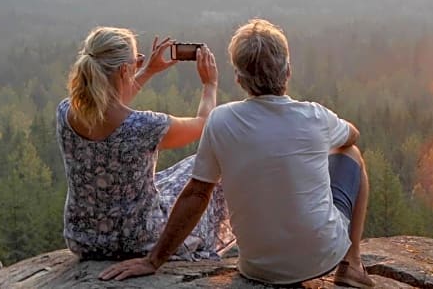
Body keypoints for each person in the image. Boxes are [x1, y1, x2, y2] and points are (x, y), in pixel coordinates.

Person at [100, 19, 374, 287]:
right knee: (351, 154)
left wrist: (153, 261)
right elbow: (352, 135)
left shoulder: (221, 120)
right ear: (287, 71)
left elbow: (196, 194)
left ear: (239, 79)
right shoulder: (315, 116)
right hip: (321, 258)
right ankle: (351, 263)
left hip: (258, 269)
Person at [57, 27, 234, 260]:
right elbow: (203, 124)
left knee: (167, 180)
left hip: (83, 239)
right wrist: (210, 84)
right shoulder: (145, 126)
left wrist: (148, 70)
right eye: (136, 61)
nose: (139, 63)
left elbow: (106, 103)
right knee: (206, 167)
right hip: (139, 239)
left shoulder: (66, 112)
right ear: (124, 70)